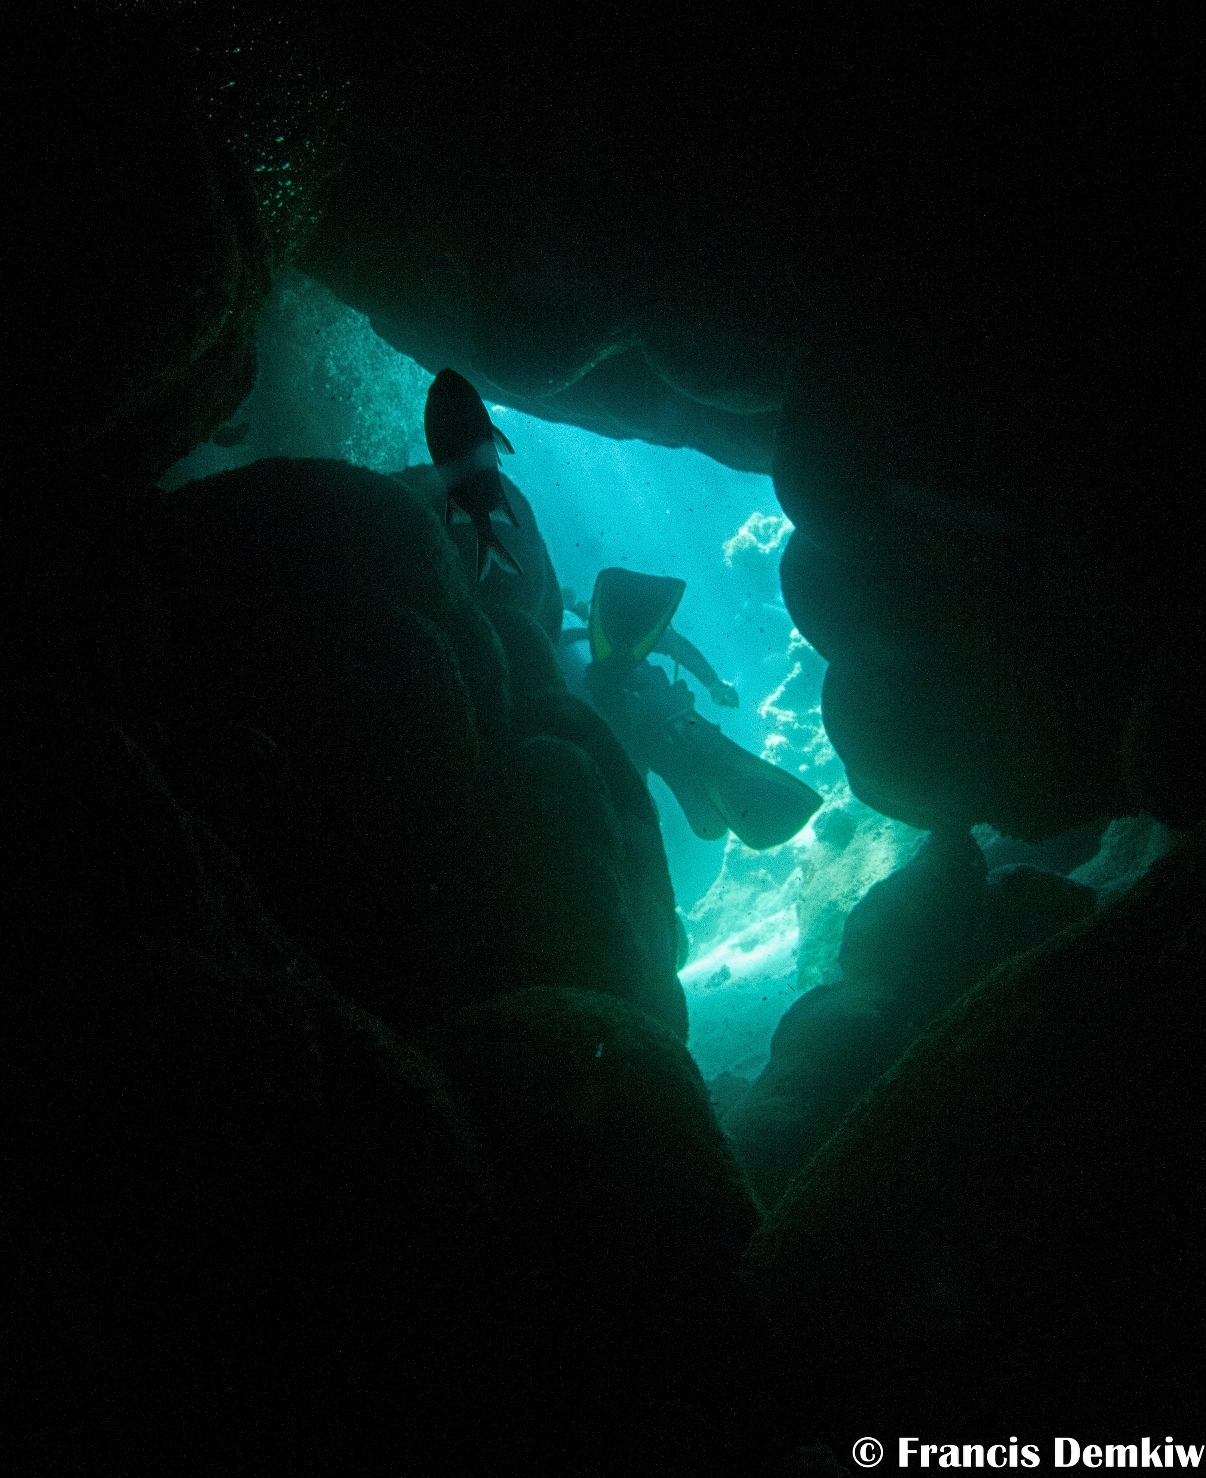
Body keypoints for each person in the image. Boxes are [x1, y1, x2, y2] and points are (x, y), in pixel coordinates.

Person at [562, 568, 821, 850]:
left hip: (620, 724)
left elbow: (670, 646)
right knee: (676, 743)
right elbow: (674, 645)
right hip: (652, 707)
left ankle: (655, 805)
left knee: (646, 772)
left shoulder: (586, 637)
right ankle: (688, 760)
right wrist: (712, 683)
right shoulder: (609, 632)